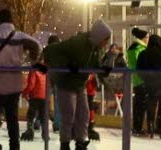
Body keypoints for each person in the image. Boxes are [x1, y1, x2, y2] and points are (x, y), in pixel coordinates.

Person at [41, 19, 111, 150]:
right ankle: (65, 143)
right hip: (66, 83)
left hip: (80, 83)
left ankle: (80, 141)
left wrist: (102, 70)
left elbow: (94, 64)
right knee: (69, 115)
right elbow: (55, 50)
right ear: (99, 36)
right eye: (105, 39)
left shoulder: (96, 48)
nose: (106, 43)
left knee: (84, 114)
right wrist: (67, 64)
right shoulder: (78, 42)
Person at [0, 9, 41, 150]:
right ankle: (15, 147)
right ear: (12, 21)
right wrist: (34, 62)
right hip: (14, 85)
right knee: (12, 119)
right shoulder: (20, 36)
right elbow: (36, 45)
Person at [136, 34, 161, 138]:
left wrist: (146, 79)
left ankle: (150, 125)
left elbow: (139, 69)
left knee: (151, 105)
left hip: (150, 84)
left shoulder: (144, 53)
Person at [125, 28, 149, 136]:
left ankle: (136, 127)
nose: (148, 39)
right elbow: (141, 64)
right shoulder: (140, 49)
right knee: (141, 105)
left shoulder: (131, 48)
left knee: (138, 105)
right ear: (143, 38)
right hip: (142, 80)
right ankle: (138, 128)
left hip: (135, 80)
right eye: (147, 37)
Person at [20, 62, 47, 141]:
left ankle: (30, 132)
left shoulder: (34, 70)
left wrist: (25, 93)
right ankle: (45, 134)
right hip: (44, 96)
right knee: (43, 116)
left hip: (35, 96)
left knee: (30, 115)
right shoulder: (45, 70)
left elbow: (31, 84)